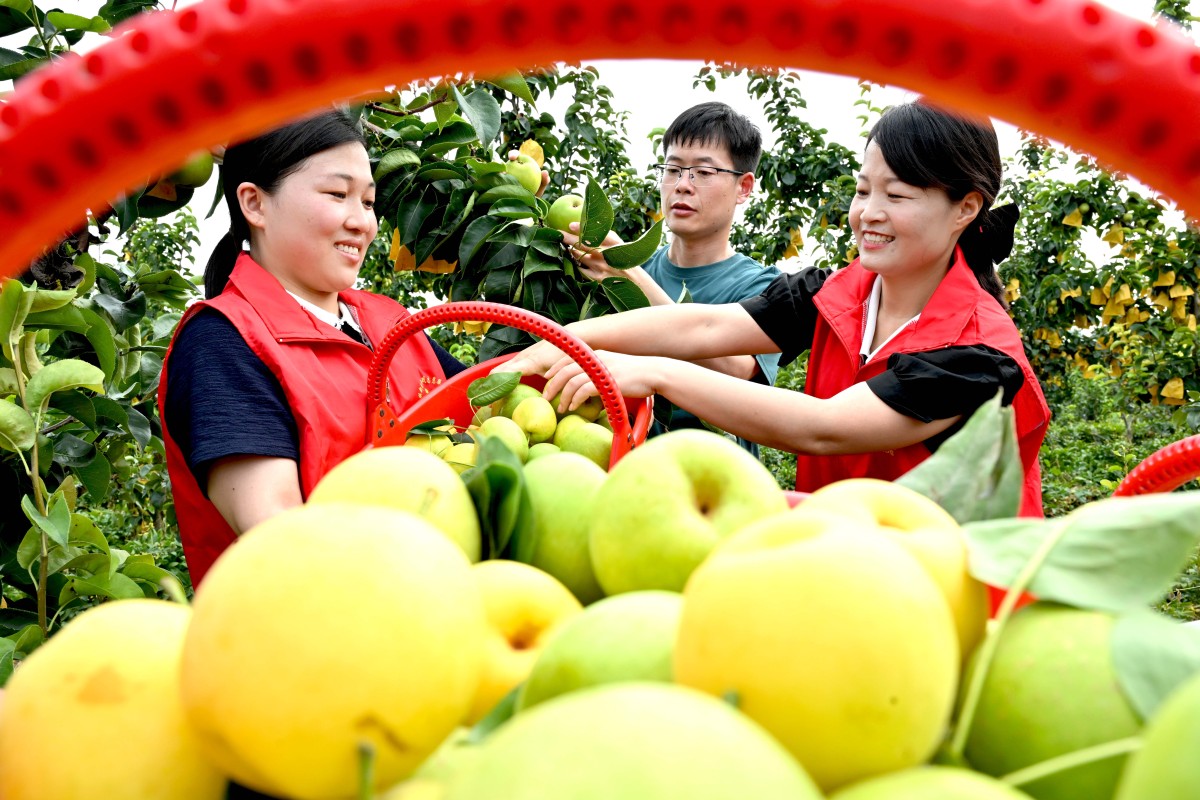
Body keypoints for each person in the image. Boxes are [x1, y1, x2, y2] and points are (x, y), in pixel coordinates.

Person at [504, 99, 1051, 517]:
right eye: (864, 191)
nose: (869, 214)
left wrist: (654, 373)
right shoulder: (841, 293)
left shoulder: (977, 352)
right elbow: (707, 325)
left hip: (946, 602)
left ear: (966, 208)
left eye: (898, 196)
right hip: (839, 561)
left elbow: (825, 427)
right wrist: (566, 337)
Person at [158, 109, 466, 587]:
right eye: (337, 194)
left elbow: (504, 396)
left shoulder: (390, 322)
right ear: (254, 204)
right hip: (312, 638)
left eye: (368, 202)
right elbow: (280, 534)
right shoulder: (222, 341)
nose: (361, 221)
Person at [560, 101, 782, 454]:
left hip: (710, 478)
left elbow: (736, 370)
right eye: (673, 169)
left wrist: (631, 277)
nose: (682, 185)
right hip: (619, 468)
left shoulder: (761, 285)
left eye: (704, 173)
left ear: (743, 188)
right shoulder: (621, 270)